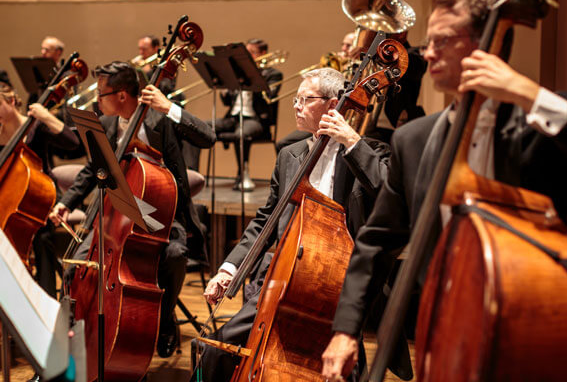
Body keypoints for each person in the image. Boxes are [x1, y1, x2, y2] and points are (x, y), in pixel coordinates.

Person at [321, 0, 567, 380]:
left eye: (442, 41)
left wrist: (528, 94)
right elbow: (376, 242)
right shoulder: (414, 140)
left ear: (489, 45)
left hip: (534, 322)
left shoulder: (539, 122)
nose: (428, 53)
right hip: (445, 326)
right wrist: (345, 330)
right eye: (428, 41)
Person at [198, 67, 390, 381]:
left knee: (343, 370)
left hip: (339, 283)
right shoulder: (290, 154)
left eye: (306, 99)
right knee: (217, 349)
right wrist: (228, 269)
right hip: (284, 278)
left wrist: (352, 142)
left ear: (333, 105)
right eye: (296, 100)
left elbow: (386, 191)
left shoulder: (367, 151)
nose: (296, 106)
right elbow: (266, 219)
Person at [48, 61, 216, 358]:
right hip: (115, 216)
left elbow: (207, 137)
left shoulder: (159, 120)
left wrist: (169, 108)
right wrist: (65, 203)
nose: (97, 101)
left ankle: (164, 320)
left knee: (175, 255)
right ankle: (70, 344)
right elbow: (92, 169)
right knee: (76, 264)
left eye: (102, 94)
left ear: (123, 95)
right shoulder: (109, 124)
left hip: (160, 214)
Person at [0, 82, 80, 297]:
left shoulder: (35, 127)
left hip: (41, 196)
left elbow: (73, 143)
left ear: (10, 101)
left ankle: (44, 298)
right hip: (8, 198)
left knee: (42, 237)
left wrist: (46, 116)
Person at [212, 38, 283, 191]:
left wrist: (254, 76)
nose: (248, 57)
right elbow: (227, 102)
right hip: (233, 117)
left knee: (241, 134)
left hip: (256, 120)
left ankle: (242, 174)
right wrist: (226, 85)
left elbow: (269, 97)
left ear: (263, 54)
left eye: (252, 53)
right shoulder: (239, 73)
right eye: (246, 53)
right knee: (199, 126)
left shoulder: (273, 74)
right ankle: (191, 171)